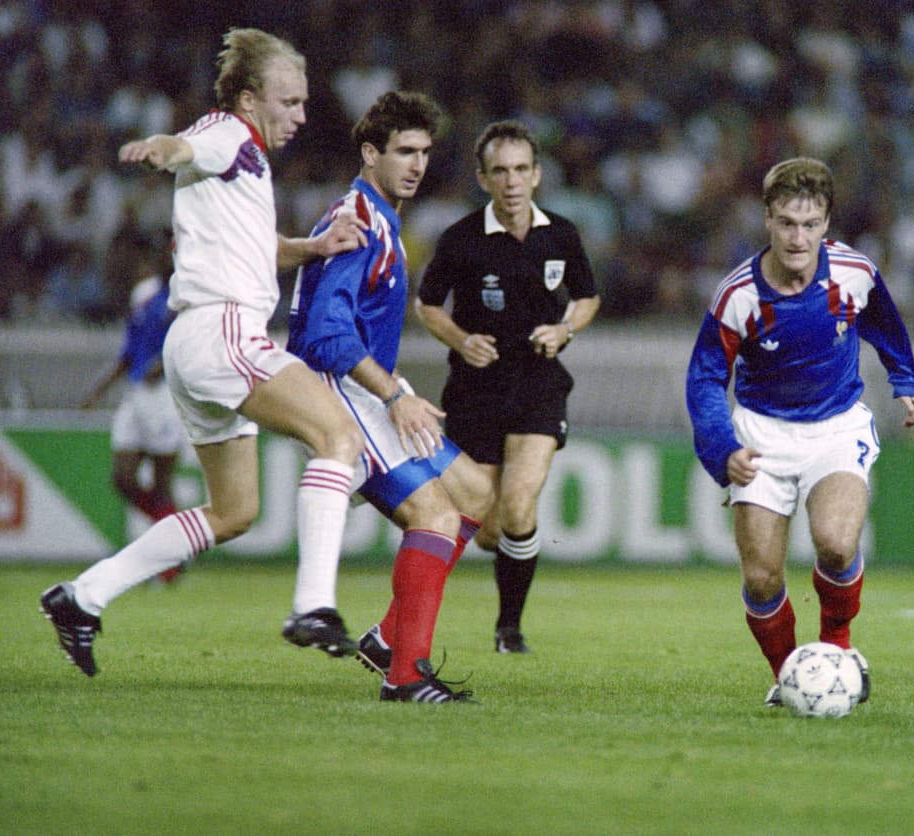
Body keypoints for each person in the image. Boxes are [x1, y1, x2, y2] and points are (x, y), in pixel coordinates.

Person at [40, 28, 369, 677]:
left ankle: (82, 596)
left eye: (304, 102)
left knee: (233, 511)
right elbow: (188, 146)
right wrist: (161, 148)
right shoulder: (227, 134)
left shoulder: (246, 163)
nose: (301, 115)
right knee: (339, 436)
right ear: (249, 99)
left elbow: (258, 248)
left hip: (197, 340)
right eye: (289, 101)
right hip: (225, 333)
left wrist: (314, 247)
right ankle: (313, 604)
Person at [685, 157, 914, 707]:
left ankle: (837, 647)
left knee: (837, 544)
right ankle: (787, 676)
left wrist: (905, 377)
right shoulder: (737, 296)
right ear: (768, 220)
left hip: (836, 425)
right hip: (761, 436)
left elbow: (884, 322)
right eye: (788, 224)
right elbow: (704, 378)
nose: (799, 238)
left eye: (811, 224)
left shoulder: (853, 272)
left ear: (826, 223)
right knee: (762, 578)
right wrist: (723, 448)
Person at [288, 90, 494, 702]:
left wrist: (393, 389)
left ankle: (388, 639)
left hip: (369, 388)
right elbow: (327, 334)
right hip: (340, 391)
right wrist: (394, 394)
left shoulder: (383, 218)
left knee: (476, 492)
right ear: (370, 153)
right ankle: (405, 676)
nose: (417, 165)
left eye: (424, 152)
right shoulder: (357, 221)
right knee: (436, 515)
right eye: (404, 151)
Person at [415, 120, 600, 654]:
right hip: (476, 390)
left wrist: (565, 329)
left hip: (539, 382)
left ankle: (509, 628)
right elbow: (427, 305)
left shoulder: (560, 234)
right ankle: (501, 591)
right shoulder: (461, 239)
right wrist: (462, 339)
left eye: (521, 169)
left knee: (519, 506)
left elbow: (587, 297)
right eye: (500, 171)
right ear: (483, 178)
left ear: (537, 175)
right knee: (490, 528)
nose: (512, 181)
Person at [78, 243, 188, 584]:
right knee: (122, 478)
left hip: (167, 395)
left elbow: (191, 343)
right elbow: (130, 347)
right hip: (137, 390)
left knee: (161, 484)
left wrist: (167, 364)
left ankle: (168, 564)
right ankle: (175, 538)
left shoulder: (191, 294)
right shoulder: (144, 294)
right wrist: (99, 388)